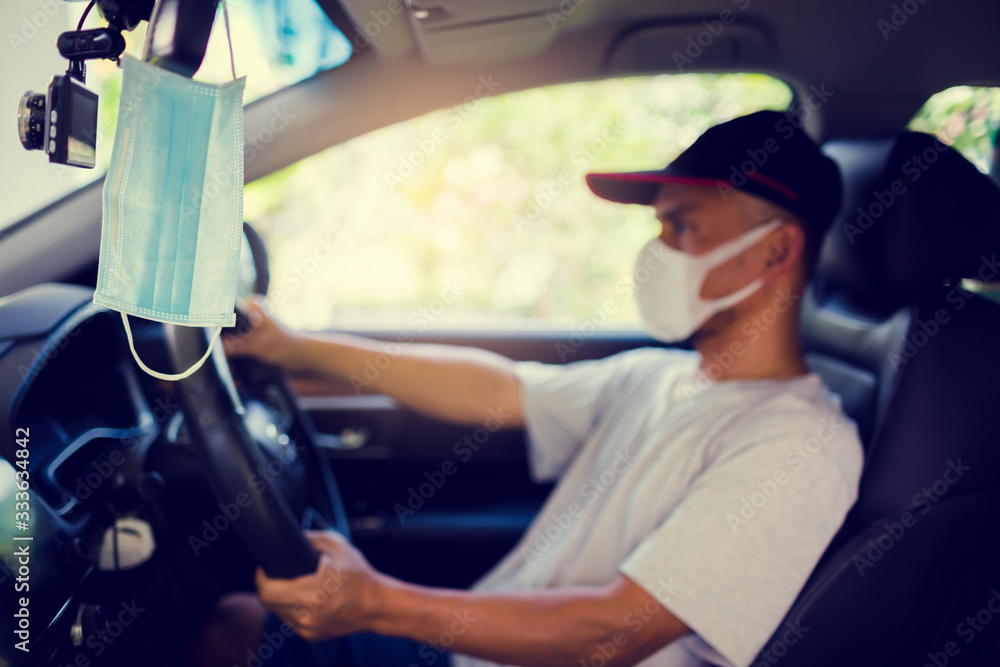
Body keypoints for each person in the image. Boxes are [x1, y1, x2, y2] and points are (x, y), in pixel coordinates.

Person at [198, 110, 864, 667]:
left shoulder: (800, 443)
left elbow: (616, 632)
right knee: (237, 621)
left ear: (776, 251)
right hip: (477, 654)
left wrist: (375, 601)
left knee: (235, 631)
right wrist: (293, 348)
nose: (656, 252)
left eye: (683, 226)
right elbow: (498, 390)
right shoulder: (657, 375)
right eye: (657, 227)